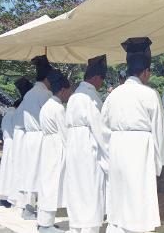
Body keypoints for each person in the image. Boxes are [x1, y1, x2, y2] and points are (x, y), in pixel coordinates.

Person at [101, 37, 164, 233]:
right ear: (146, 72)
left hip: (116, 147)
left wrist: (108, 153)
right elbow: (158, 129)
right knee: (138, 197)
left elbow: (103, 128)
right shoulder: (149, 94)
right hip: (139, 149)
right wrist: (160, 160)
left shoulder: (113, 95)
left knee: (119, 195)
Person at [65, 55, 108, 233]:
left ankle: (76, 227)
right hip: (88, 147)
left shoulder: (74, 96)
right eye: (102, 81)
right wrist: (108, 155)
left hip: (74, 146)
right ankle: (89, 228)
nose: (101, 85)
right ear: (96, 78)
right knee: (91, 188)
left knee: (76, 187)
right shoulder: (91, 97)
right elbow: (99, 129)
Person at [37, 70, 72, 233]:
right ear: (63, 90)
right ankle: (46, 224)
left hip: (46, 145)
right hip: (56, 147)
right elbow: (65, 133)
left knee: (46, 183)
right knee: (52, 184)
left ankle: (44, 221)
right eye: (69, 90)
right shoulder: (58, 108)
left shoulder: (46, 106)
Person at [22, 55, 53, 218]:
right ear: (48, 78)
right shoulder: (45, 95)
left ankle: (28, 206)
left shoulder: (29, 94)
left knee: (31, 171)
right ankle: (37, 209)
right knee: (42, 172)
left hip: (30, 137)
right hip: (41, 136)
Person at [0, 79, 32, 208]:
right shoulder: (14, 114)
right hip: (13, 143)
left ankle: (5, 197)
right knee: (11, 171)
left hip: (9, 143)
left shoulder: (8, 113)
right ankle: (8, 197)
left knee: (7, 171)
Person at [7, 78, 33, 215]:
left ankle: (18, 200)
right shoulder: (26, 105)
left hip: (19, 138)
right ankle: (24, 203)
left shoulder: (22, 105)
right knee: (25, 171)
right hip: (23, 138)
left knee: (19, 170)